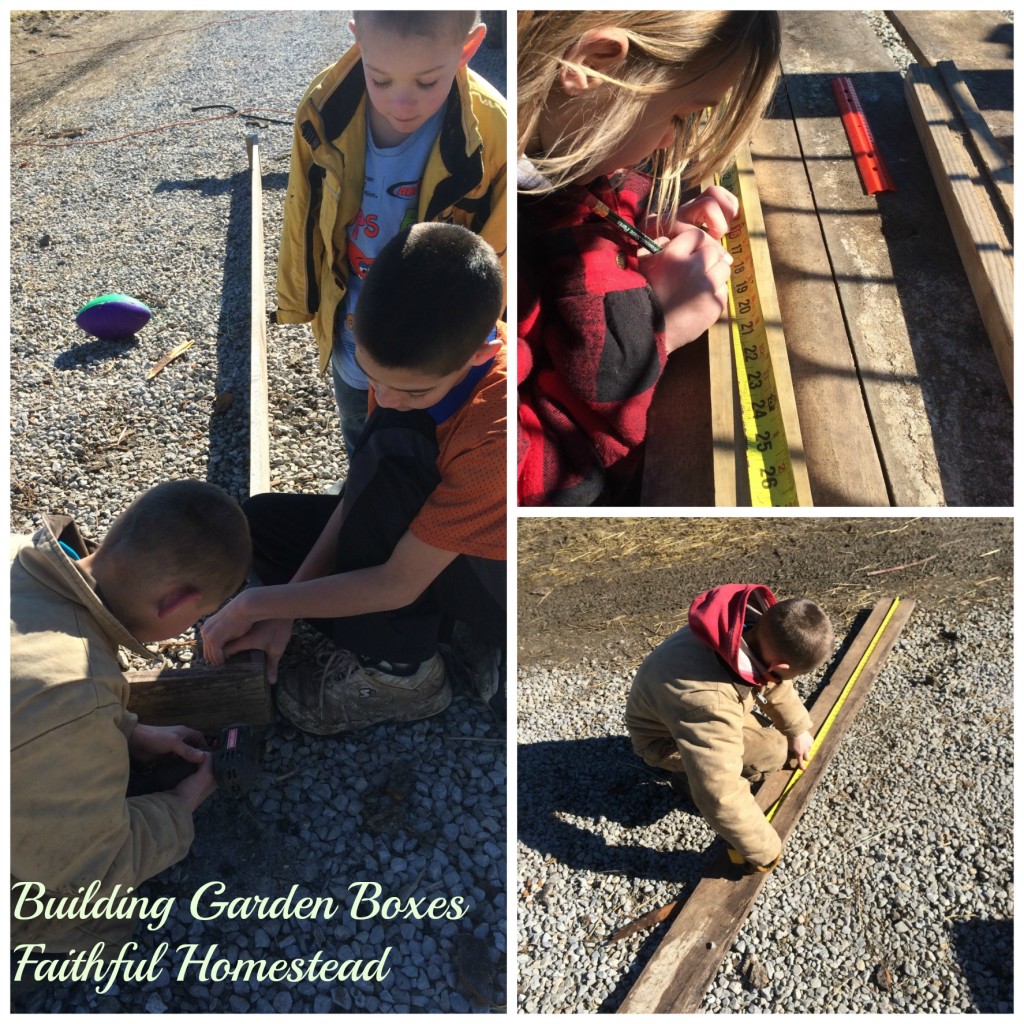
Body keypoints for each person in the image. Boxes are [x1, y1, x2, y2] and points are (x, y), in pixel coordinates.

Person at [202, 222, 506, 737]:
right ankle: (439, 631)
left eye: (412, 392)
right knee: (259, 524)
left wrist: (260, 603)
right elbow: (361, 495)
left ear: (479, 354)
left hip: (491, 584)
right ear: (353, 323)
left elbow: (396, 581)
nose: (384, 399)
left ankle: (406, 677)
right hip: (433, 550)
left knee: (395, 458)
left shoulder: (497, 432)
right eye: (372, 378)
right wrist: (288, 606)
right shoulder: (403, 362)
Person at [517, 11, 782, 505]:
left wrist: (644, 221)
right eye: (682, 116)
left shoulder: (554, 150)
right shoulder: (497, 254)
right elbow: (531, 478)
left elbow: (585, 195)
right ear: (594, 64)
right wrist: (655, 328)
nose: (671, 142)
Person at [10, 480, 251, 952]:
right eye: (200, 615)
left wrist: (129, 730)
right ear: (177, 604)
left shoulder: (17, 553)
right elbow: (90, 868)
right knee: (99, 926)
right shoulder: (73, 693)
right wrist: (181, 804)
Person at [277, 9, 507, 459]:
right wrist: (297, 299)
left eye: (426, 82)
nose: (402, 103)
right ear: (358, 40)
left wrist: (477, 335)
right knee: (359, 421)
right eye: (380, 80)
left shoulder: (494, 130)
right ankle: (360, 491)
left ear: (469, 47)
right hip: (350, 325)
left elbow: (498, 249)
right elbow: (301, 208)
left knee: (425, 439)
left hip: (430, 340)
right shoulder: (324, 107)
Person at [625, 584, 834, 871]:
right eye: (791, 674)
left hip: (673, 709)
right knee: (771, 752)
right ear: (779, 664)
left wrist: (797, 728)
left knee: (774, 741)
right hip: (663, 740)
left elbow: (770, 680)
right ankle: (685, 777)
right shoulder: (709, 705)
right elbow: (719, 794)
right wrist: (765, 852)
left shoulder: (736, 627)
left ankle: (695, 768)